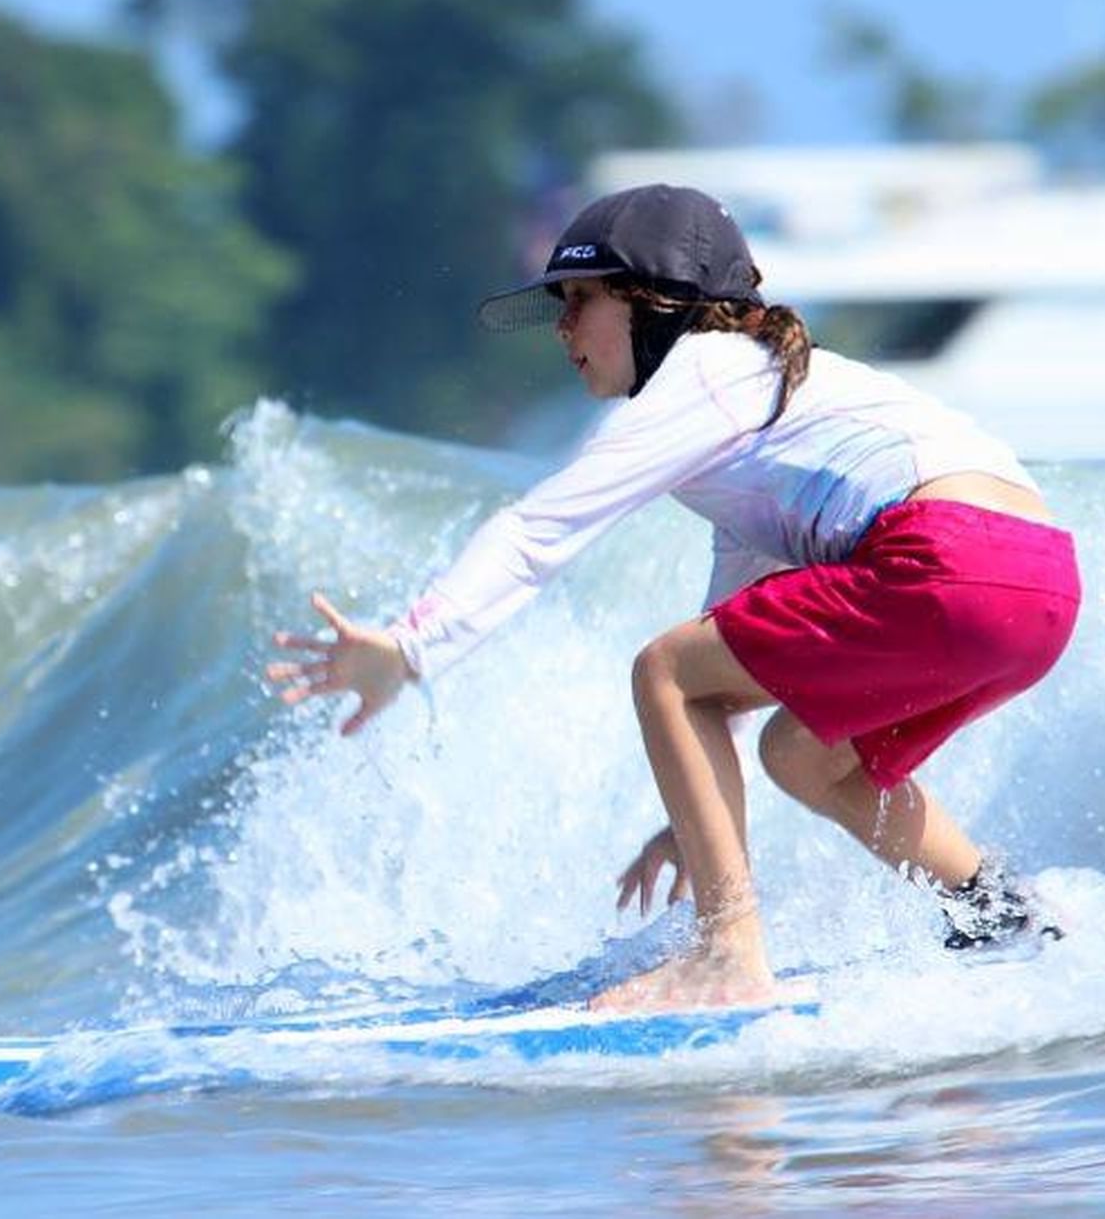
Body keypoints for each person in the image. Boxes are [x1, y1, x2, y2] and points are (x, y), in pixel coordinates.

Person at [266, 183, 1082, 1011]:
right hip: (1042, 586)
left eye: (580, 300)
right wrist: (696, 822)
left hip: (942, 560)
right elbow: (726, 646)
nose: (561, 328)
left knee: (659, 668)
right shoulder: (758, 411)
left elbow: (535, 533)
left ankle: (729, 952)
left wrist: (408, 649)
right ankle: (997, 914)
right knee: (800, 752)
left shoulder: (703, 372)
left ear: (655, 302)